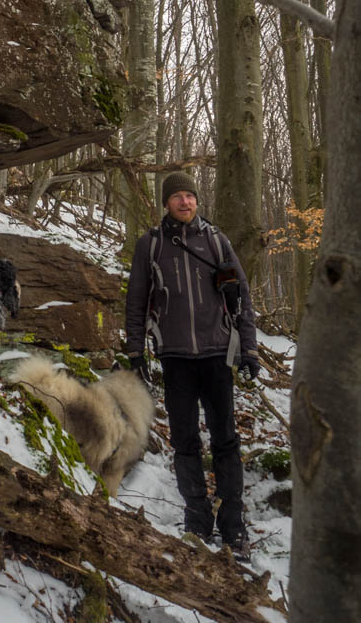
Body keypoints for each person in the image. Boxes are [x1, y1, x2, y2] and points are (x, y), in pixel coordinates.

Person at [124, 171, 260, 557]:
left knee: (225, 441)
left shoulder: (217, 242)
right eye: (177, 197)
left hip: (218, 354)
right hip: (176, 358)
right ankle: (197, 522)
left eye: (190, 196)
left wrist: (248, 350)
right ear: (165, 202)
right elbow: (136, 304)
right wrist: (136, 354)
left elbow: (242, 298)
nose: (185, 202)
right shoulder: (150, 246)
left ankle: (233, 527)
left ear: (197, 201)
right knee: (185, 442)